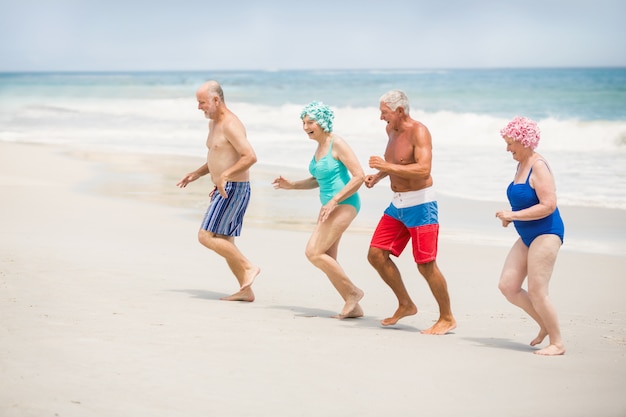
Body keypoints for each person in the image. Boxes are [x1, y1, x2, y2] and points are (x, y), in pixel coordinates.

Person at [365, 90, 456, 335]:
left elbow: (423, 169)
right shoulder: (390, 131)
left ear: (400, 111)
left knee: (426, 265)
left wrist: (385, 166)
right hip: (398, 204)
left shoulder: (419, 131)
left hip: (421, 205)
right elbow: (399, 162)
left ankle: (447, 317)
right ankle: (405, 304)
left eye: (384, 112)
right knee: (376, 254)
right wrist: (380, 175)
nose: (381, 117)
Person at [272, 101, 365, 318]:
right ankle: (353, 308)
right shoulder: (319, 148)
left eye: (310, 122)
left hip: (345, 203)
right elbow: (318, 179)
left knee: (313, 252)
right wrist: (292, 185)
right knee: (327, 257)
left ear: (322, 122)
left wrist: (334, 201)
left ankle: (353, 293)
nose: (306, 127)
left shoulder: (337, 143)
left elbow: (359, 176)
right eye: (303, 123)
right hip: (328, 206)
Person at [177, 80, 260, 302]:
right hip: (223, 187)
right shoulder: (213, 124)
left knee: (205, 236)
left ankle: (249, 266)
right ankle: (245, 289)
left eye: (202, 102)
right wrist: (198, 173)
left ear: (216, 100)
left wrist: (224, 176)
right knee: (225, 241)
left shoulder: (230, 124)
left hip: (233, 188)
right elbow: (217, 156)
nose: (199, 107)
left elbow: (250, 156)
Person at [495, 116, 565, 356]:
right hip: (527, 235)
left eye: (510, 143)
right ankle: (545, 324)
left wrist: (514, 215)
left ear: (523, 141)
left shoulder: (538, 166)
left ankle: (557, 342)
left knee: (537, 290)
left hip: (546, 233)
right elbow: (526, 201)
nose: (507, 148)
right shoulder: (520, 163)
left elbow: (548, 205)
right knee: (508, 286)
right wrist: (511, 216)